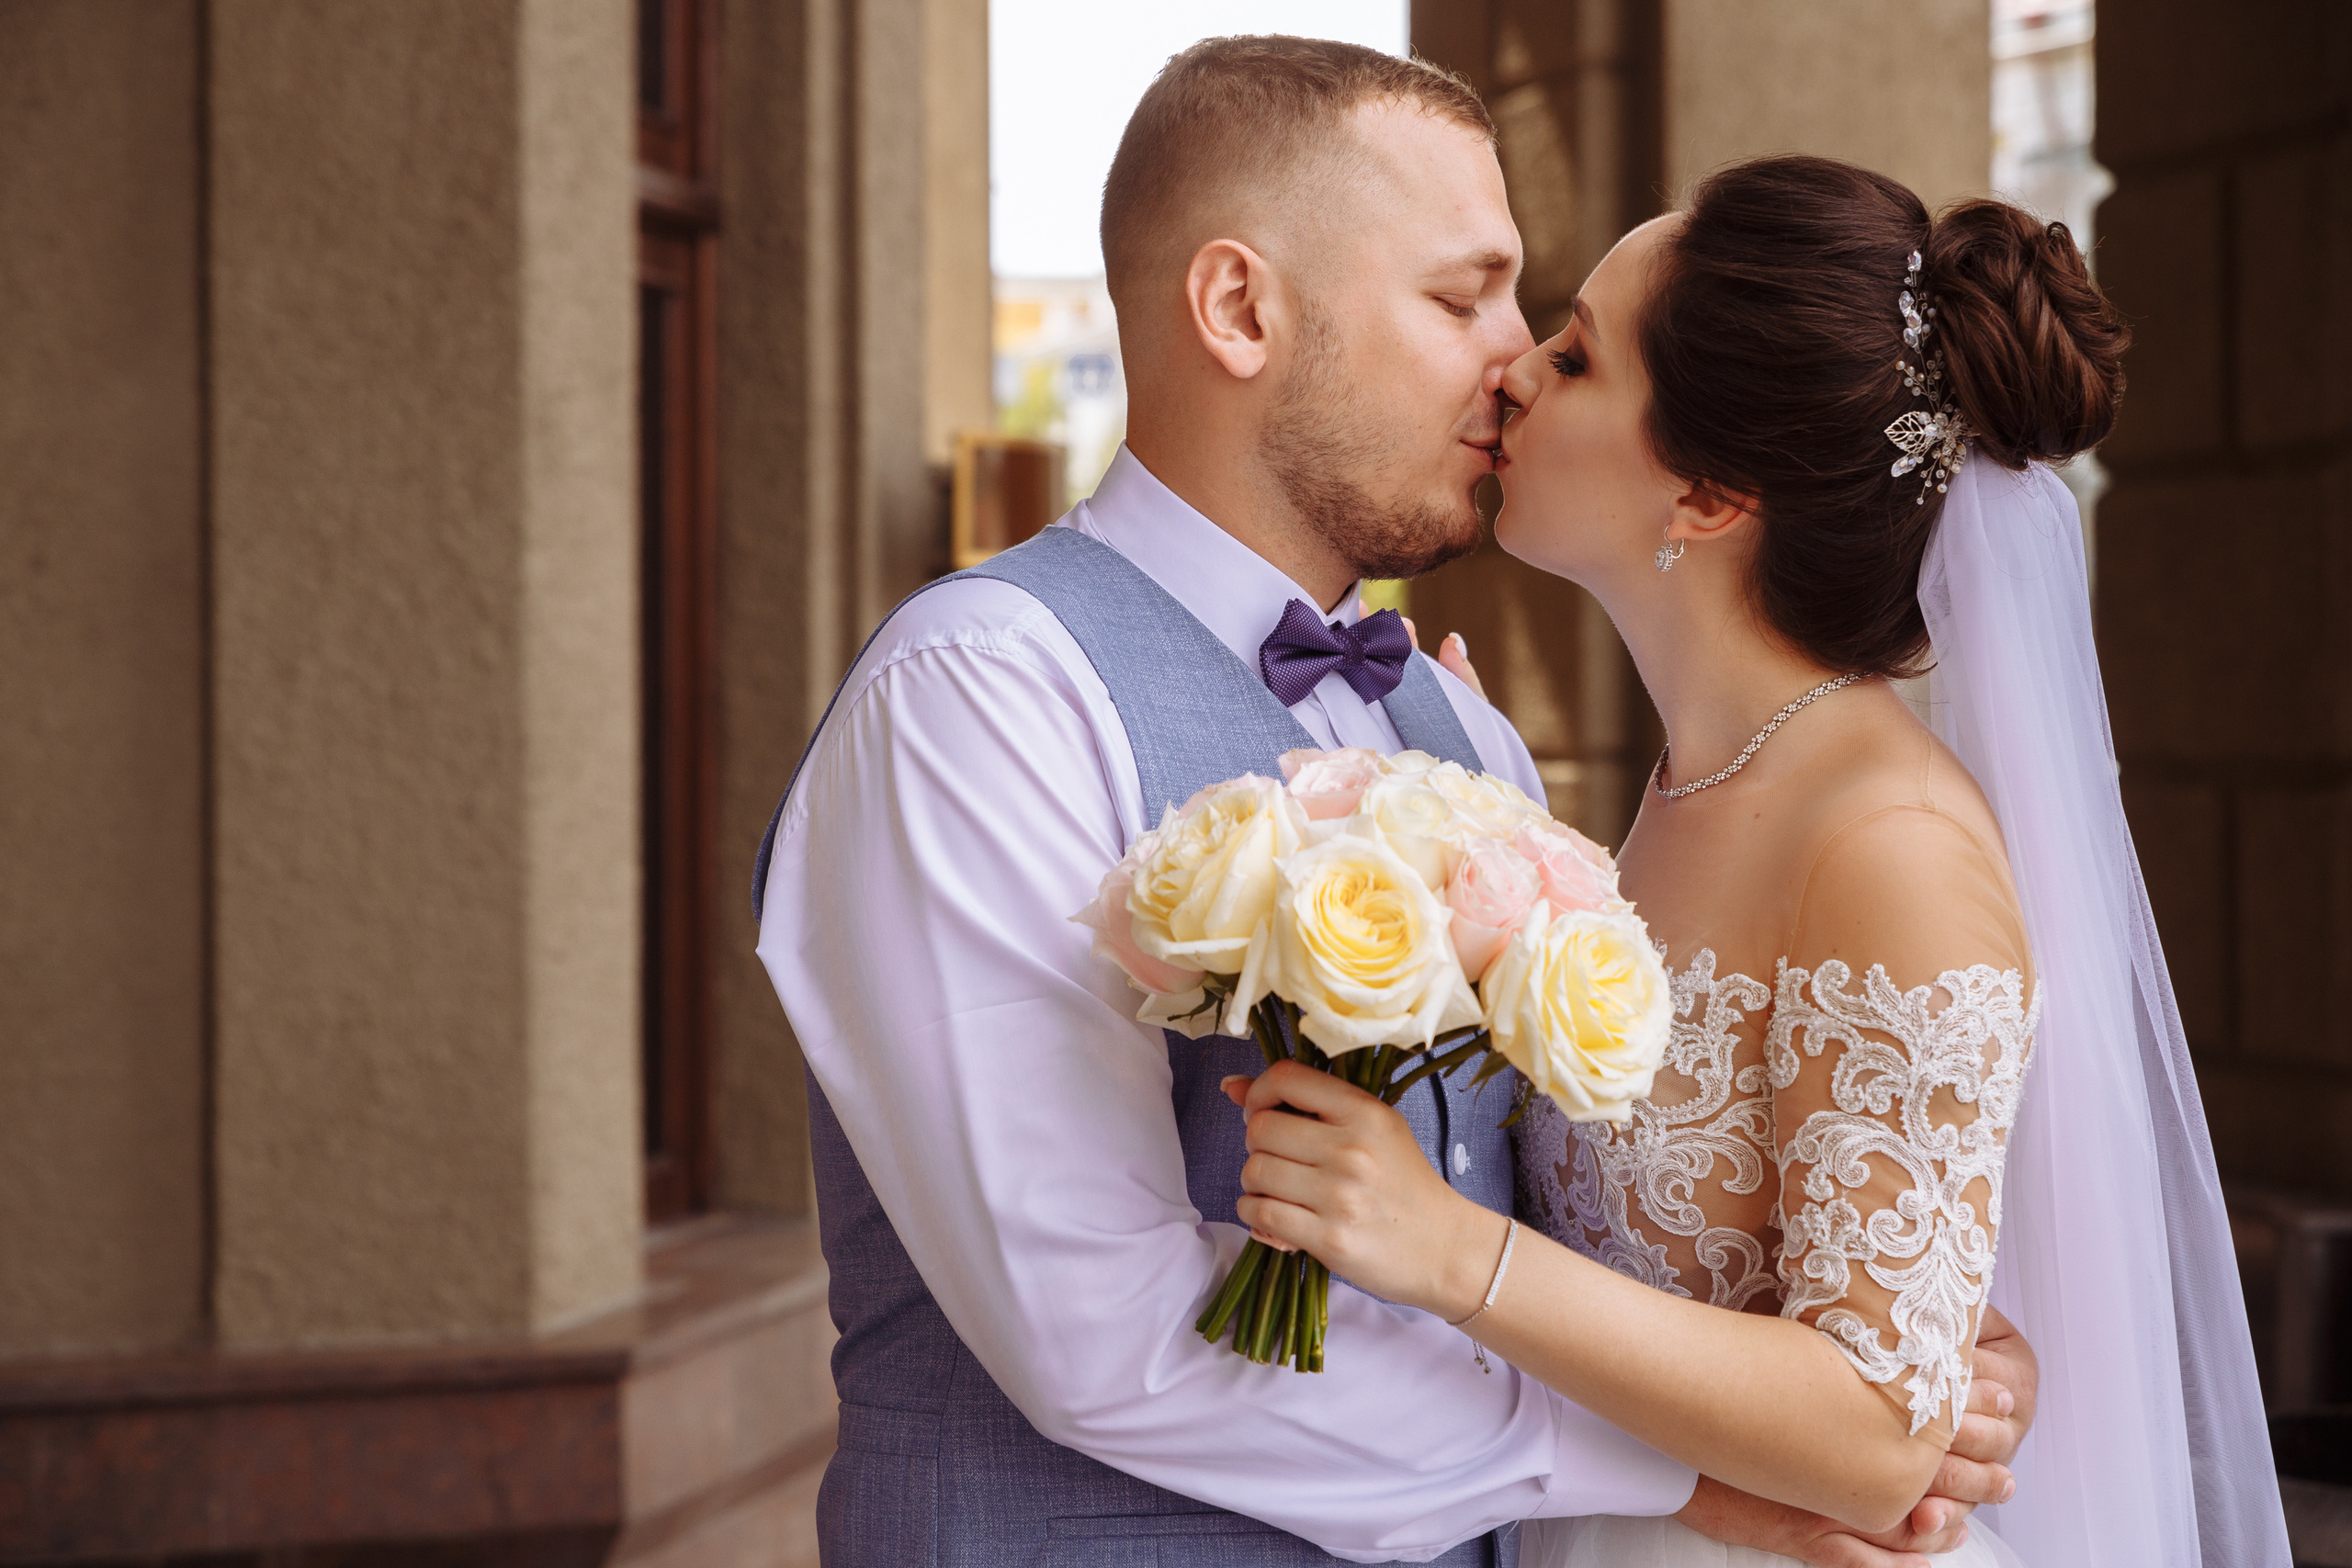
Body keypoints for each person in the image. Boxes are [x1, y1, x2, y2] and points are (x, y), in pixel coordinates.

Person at [754, 39, 2023, 1567]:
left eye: (1534, 313)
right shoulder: (975, 698)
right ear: (1241, 310)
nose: (1512, 359)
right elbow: (1104, 1334)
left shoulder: (1460, 732)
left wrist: (1882, 1359)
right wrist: (1671, 1471)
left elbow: (1581, 1227)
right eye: (1460, 296)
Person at [1227, 156, 2292, 1568]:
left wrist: (1453, 1256)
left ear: (1713, 494)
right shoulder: (1680, 784)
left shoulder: (1889, 846)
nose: (1516, 373)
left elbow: (1878, 1429)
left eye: (1579, 354)